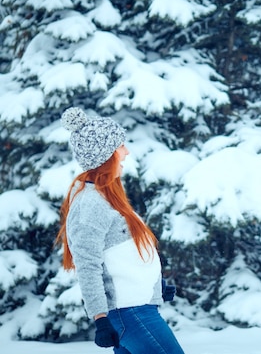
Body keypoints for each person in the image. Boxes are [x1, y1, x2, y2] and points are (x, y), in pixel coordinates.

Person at [55, 107, 184, 354]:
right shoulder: (91, 203)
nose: (126, 152)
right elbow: (88, 265)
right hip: (130, 313)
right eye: (120, 146)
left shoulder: (108, 198)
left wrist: (155, 287)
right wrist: (100, 318)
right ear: (105, 156)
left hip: (136, 309)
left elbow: (124, 257)